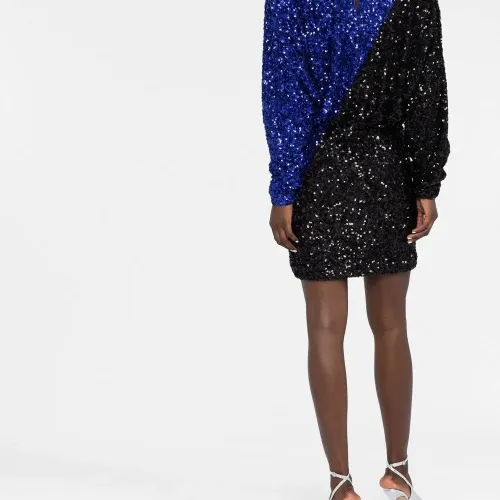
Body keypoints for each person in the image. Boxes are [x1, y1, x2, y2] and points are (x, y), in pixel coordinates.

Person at [261, 0, 450, 498]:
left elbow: (285, 92)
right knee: (391, 325)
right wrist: (425, 182)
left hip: (318, 177)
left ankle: (340, 483)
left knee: (325, 329)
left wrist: (284, 189)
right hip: (388, 171)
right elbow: (425, 92)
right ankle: (398, 471)